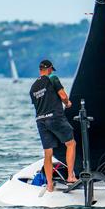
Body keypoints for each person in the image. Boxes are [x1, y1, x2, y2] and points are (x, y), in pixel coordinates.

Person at [29, 59, 77, 192]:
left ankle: (49, 184)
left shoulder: (33, 87)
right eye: (51, 69)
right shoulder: (52, 78)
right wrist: (67, 103)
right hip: (54, 117)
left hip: (40, 120)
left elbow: (38, 105)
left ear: (40, 70)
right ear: (49, 69)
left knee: (48, 153)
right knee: (71, 143)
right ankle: (70, 176)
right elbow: (62, 95)